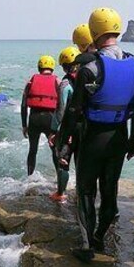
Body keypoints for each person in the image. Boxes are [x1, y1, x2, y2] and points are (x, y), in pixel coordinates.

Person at [56, 8, 134, 262]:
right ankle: (102, 236)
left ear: (94, 32)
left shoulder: (89, 69)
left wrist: (63, 143)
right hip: (119, 137)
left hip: (93, 138)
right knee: (109, 189)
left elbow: (74, 112)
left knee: (86, 191)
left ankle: (88, 244)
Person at [48, 46, 80, 202]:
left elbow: (60, 110)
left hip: (69, 129)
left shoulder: (65, 84)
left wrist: (53, 131)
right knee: (81, 161)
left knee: (63, 160)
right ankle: (82, 193)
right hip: (85, 128)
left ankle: (60, 193)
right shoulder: (86, 78)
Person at [21, 55, 60, 175]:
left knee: (32, 150)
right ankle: (59, 178)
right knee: (55, 150)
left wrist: (24, 125)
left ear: (39, 67)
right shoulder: (57, 81)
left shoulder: (31, 81)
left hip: (34, 119)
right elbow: (62, 104)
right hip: (50, 119)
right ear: (52, 67)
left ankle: (30, 177)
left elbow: (23, 106)